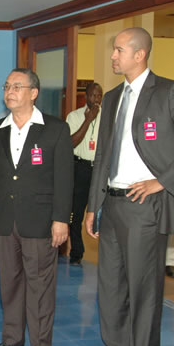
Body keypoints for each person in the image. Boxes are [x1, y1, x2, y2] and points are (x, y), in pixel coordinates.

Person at [77, 28, 174, 346]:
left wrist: (163, 181)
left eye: (119, 50)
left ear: (139, 54)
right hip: (113, 202)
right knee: (110, 284)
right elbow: (103, 156)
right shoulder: (113, 97)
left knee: (143, 289)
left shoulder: (170, 92)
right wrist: (94, 206)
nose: (113, 57)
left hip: (146, 205)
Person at [0, 68, 73, 346]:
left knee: (40, 286)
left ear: (33, 93)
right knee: (10, 283)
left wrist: (61, 219)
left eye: (17, 86)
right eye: (7, 86)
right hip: (5, 220)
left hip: (41, 220)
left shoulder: (55, 129)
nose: (10, 91)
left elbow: (64, 180)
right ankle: (12, 338)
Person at [66, 82, 102, 266]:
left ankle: (108, 255)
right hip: (80, 168)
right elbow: (70, 143)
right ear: (86, 96)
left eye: (99, 96)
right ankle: (76, 253)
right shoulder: (74, 116)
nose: (96, 99)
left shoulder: (109, 117)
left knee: (102, 213)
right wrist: (88, 120)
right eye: (93, 95)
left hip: (101, 169)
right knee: (76, 213)